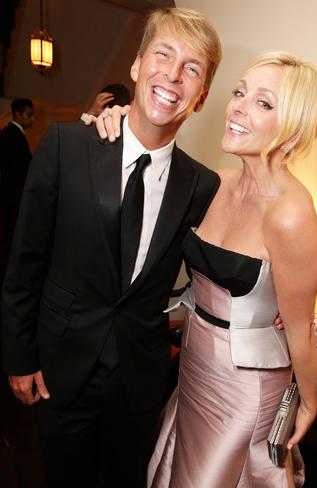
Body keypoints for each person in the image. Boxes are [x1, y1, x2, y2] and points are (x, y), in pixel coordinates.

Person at [1, 8, 222, 488]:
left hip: (138, 381)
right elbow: (25, 263)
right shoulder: (66, 145)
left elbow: (215, 266)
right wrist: (19, 356)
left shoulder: (204, 185)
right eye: (163, 55)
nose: (173, 75)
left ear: (201, 97)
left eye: (192, 68)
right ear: (137, 66)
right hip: (60, 366)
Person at [95, 51, 317, 487]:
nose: (238, 105)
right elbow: (149, 167)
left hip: (245, 388)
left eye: (263, 102)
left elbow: (300, 328)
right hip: (194, 364)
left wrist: (309, 403)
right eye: (240, 92)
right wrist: (114, 124)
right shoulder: (215, 183)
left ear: (294, 124)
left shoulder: (291, 214)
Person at [0, 98, 35, 249]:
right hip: (14, 195)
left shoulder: (10, 133)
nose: (33, 119)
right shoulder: (14, 136)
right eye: (29, 114)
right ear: (18, 114)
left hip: (9, 194)